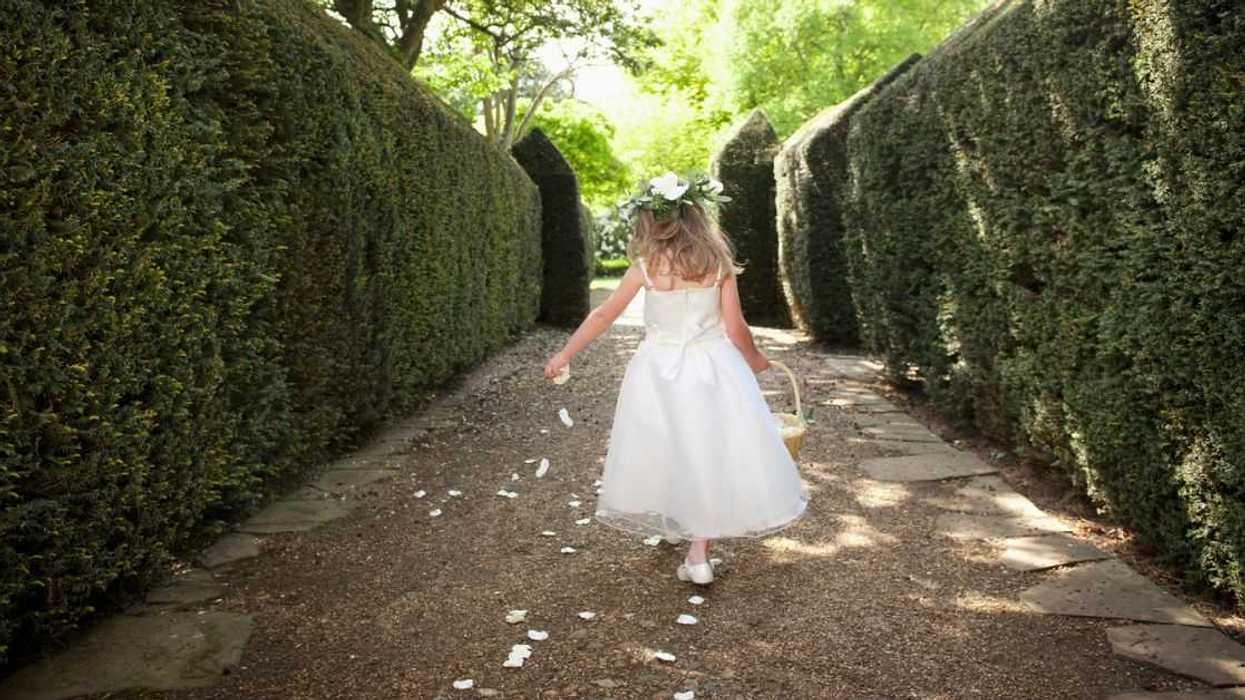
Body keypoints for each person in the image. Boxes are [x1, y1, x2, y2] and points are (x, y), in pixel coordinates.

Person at [543, 172, 808, 585]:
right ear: (696, 216)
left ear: (650, 221)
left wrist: (564, 354)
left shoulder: (646, 266)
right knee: (707, 449)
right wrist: (755, 360)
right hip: (712, 367)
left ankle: (678, 524)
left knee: (666, 443)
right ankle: (698, 553)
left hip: (656, 369)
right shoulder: (717, 265)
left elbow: (603, 315)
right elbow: (736, 328)